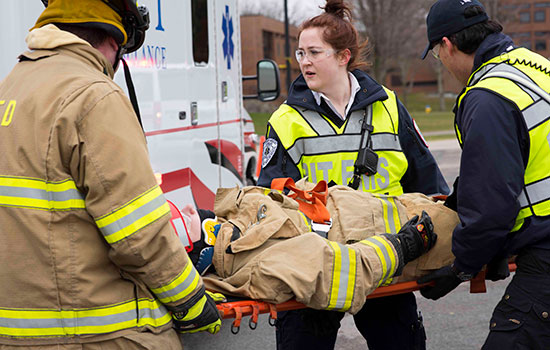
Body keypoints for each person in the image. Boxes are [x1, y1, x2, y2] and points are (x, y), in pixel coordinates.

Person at [0, 0, 221, 348]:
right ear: (115, 43)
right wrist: (191, 303)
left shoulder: (10, 87)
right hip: (95, 333)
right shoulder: (93, 96)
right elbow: (139, 234)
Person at [257, 1, 449, 349]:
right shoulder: (285, 121)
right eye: (300, 52)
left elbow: (427, 181)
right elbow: (269, 204)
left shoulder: (389, 106)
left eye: (315, 52)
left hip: (386, 258)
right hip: (316, 267)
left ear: (343, 56)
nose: (304, 61)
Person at [417, 0, 550, 348]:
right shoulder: (534, 65)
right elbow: (523, 154)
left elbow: (492, 205)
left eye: (435, 54)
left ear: (446, 44)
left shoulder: (488, 96)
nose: (441, 63)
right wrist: (459, 199)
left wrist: (461, 265)